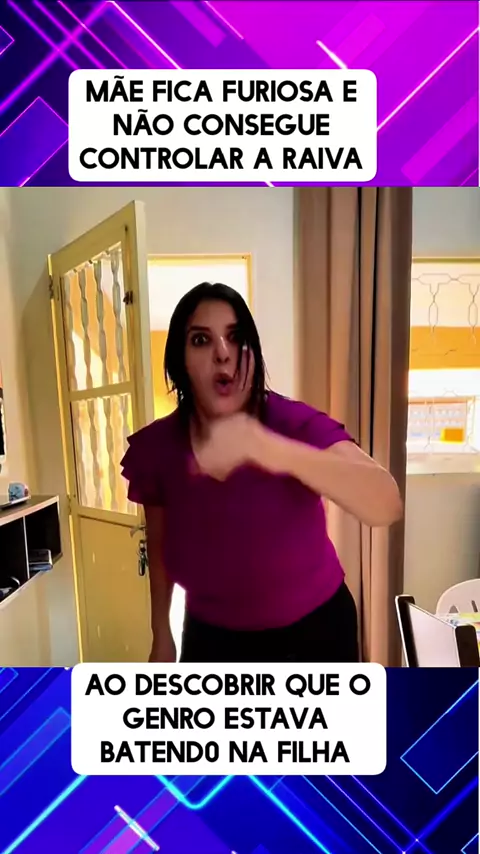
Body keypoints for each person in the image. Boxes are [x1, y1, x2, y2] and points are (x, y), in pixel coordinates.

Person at [121, 282, 402, 664]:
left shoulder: (294, 423)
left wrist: (268, 448)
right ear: (179, 360)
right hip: (212, 639)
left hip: (316, 634)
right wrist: (161, 635)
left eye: (236, 337)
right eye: (201, 340)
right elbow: (159, 546)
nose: (223, 353)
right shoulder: (159, 448)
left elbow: (385, 504)